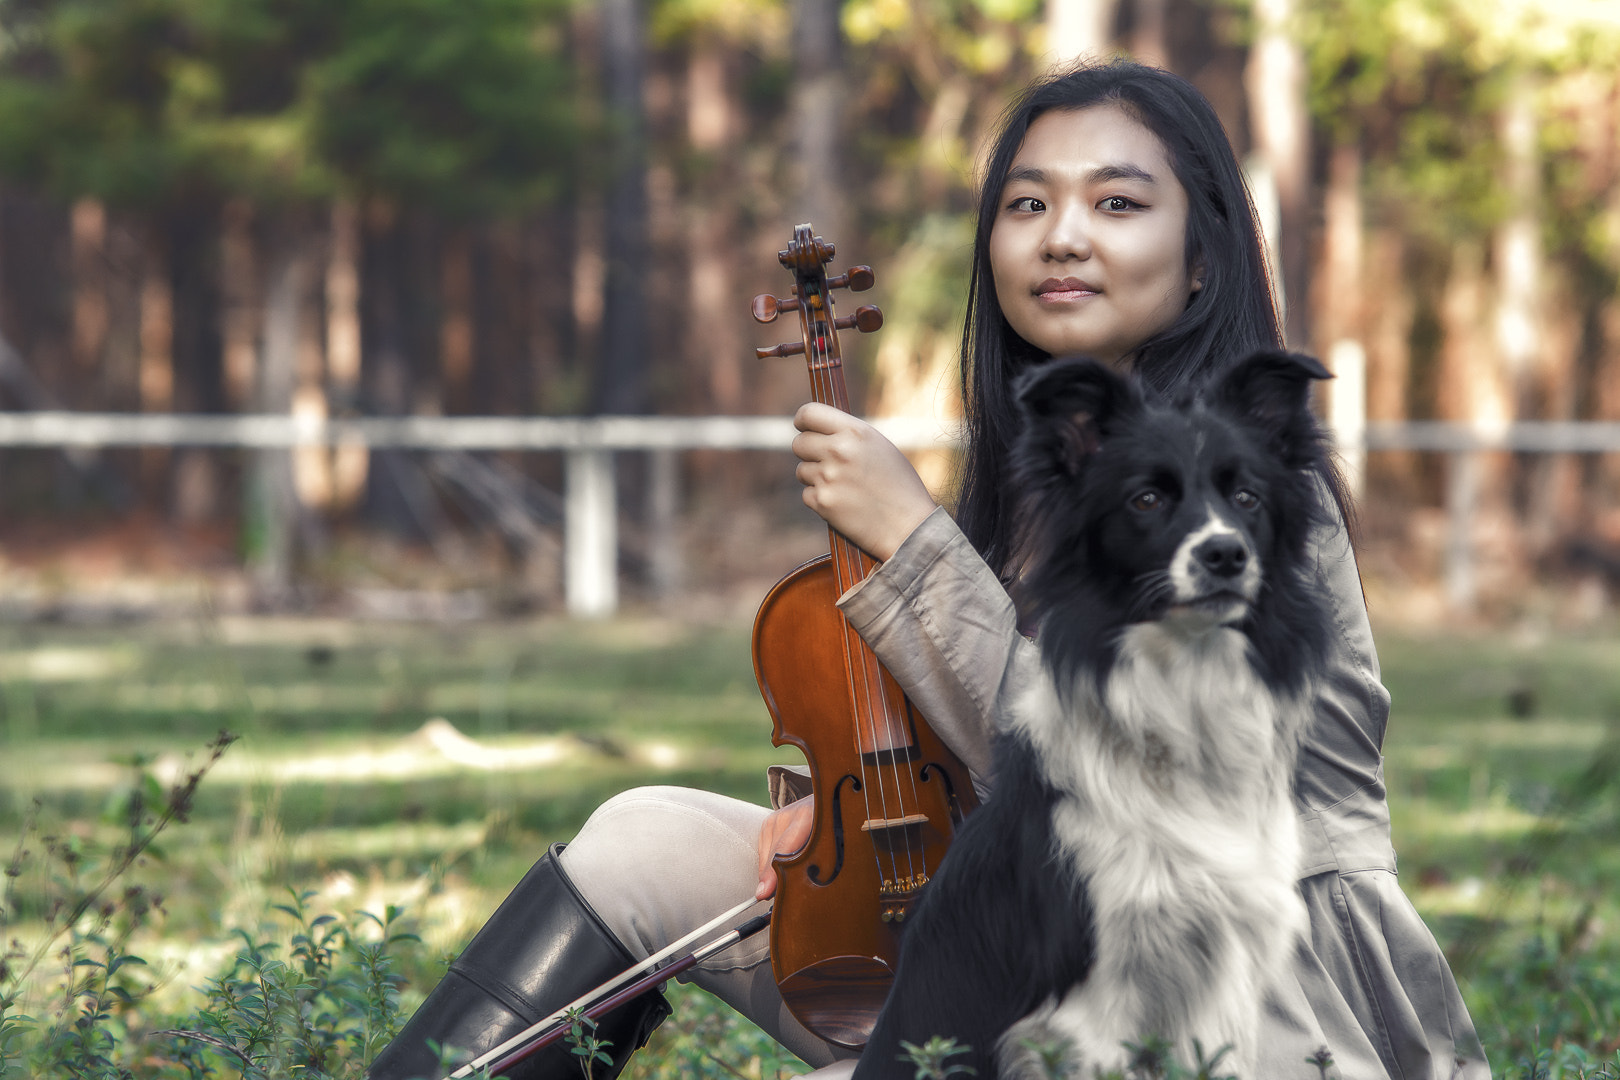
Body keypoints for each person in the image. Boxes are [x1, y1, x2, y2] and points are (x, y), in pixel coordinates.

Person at [369, 59, 1487, 1080]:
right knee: (641, 837)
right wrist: (843, 830)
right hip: (1034, 947)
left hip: (1241, 1002)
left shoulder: (1248, 502)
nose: (1062, 237)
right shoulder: (1047, 474)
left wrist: (910, 545)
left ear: (1203, 261)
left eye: (1117, 202)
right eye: (1027, 203)